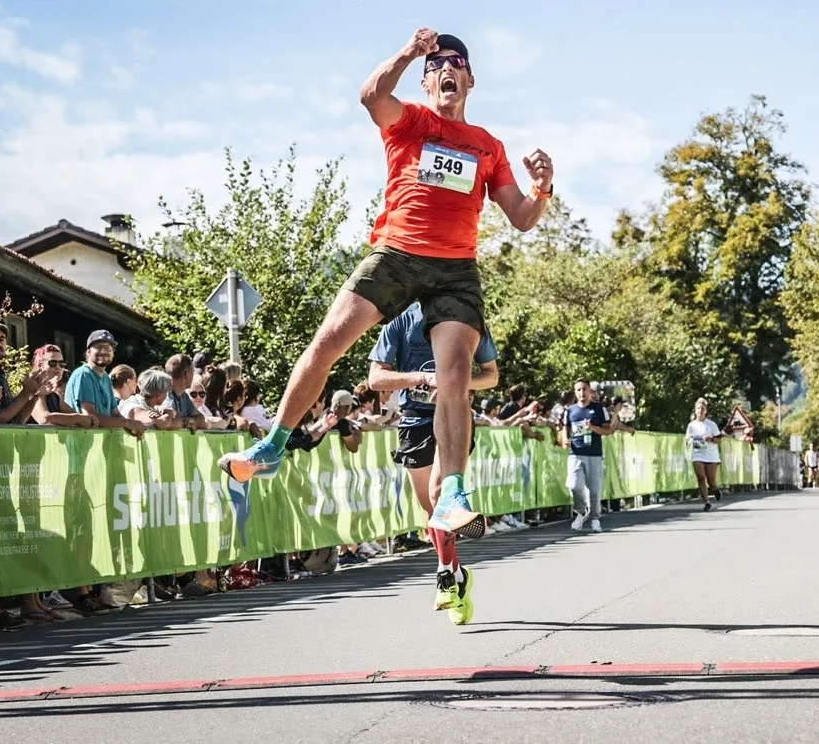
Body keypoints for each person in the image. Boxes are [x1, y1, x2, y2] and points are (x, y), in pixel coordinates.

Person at [218, 28, 554, 540]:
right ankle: (271, 447)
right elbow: (371, 95)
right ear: (426, 81)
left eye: (457, 63)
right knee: (329, 340)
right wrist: (407, 51)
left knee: (456, 374)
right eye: (437, 65)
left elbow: (522, 218)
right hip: (396, 252)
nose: (448, 70)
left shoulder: (488, 146)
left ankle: (455, 492)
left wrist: (543, 187)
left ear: (470, 79)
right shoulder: (410, 120)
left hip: (455, 269)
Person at [368, 301, 498, 624]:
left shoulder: (466, 314)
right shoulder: (400, 320)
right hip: (413, 420)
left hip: (453, 417)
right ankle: (458, 574)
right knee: (432, 514)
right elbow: (375, 379)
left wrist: (455, 384)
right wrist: (422, 379)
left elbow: (491, 376)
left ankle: (443, 577)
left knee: (441, 495)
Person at [63, 331, 144, 438]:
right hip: (79, 442)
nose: (103, 351)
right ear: (88, 352)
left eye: (108, 348)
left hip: (97, 444)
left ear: (113, 353)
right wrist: (127, 423)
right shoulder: (84, 374)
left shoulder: (105, 377)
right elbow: (90, 416)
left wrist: (131, 425)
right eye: (99, 347)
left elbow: (115, 413)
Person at [565, 378, 613, 532]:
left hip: (594, 454)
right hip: (575, 453)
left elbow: (608, 430)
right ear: (575, 392)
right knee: (573, 485)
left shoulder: (599, 409)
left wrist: (592, 427)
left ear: (590, 391)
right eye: (578, 390)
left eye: (584, 389)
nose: (581, 393)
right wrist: (565, 439)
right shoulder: (570, 411)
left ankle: (594, 519)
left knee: (594, 489)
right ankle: (581, 511)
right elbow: (565, 428)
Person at [0, 321, 47, 424]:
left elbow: (16, 422)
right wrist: (25, 393)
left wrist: (34, 394)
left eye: (1, 339)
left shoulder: (1, 375)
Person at [28, 345, 96, 429]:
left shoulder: (54, 396)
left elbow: (76, 416)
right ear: (40, 365)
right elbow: (44, 419)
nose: (58, 367)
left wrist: (88, 419)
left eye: (61, 363)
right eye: (52, 363)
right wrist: (80, 419)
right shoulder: (32, 390)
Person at [686, 397, 724, 510]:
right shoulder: (691, 425)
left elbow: (719, 440)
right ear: (695, 410)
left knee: (711, 480)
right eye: (698, 408)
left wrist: (711, 439)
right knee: (701, 478)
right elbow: (687, 439)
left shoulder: (711, 425)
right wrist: (691, 440)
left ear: (706, 411)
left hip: (711, 455)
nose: (700, 410)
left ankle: (715, 488)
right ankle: (707, 502)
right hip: (697, 453)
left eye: (702, 408)